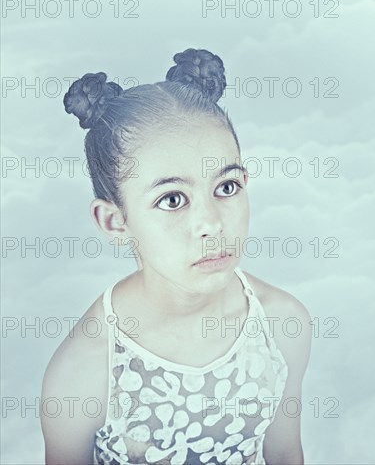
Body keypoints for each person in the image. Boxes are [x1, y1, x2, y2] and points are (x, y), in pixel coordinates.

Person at [40, 49, 312, 464]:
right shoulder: (84, 374)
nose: (211, 224)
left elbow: (284, 451)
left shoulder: (282, 323)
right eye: (172, 199)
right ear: (115, 221)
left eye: (226, 187)